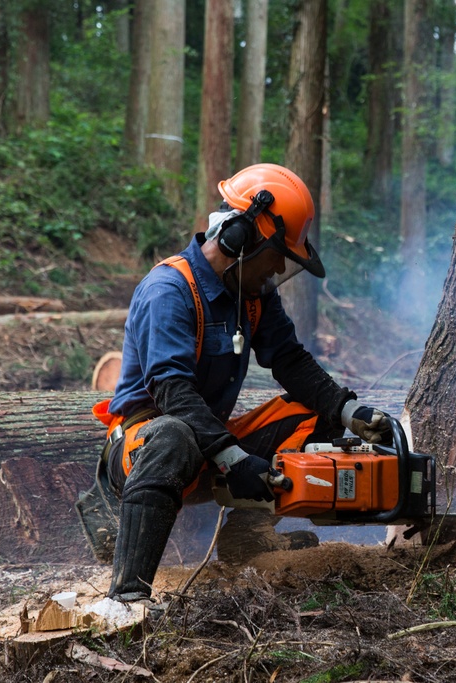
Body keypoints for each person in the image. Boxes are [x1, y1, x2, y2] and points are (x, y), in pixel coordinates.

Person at [76, 163, 392, 603]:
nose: (280, 265)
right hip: (145, 446)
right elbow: (173, 392)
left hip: (209, 441)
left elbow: (290, 360)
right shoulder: (169, 289)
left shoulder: (254, 293)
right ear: (240, 238)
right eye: (278, 251)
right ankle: (128, 596)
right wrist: (233, 458)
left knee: (310, 414)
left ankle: (248, 540)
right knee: (173, 434)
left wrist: (346, 409)